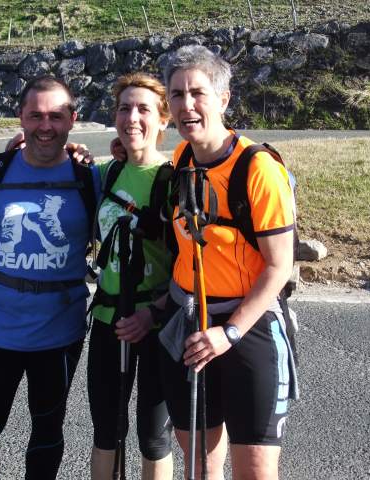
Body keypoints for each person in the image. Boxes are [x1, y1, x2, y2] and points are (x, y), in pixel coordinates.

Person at [146, 45, 297, 479]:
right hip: (189, 322)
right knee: (200, 466)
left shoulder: (258, 168)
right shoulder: (182, 159)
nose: (186, 105)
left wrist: (229, 333)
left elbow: (278, 267)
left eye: (198, 92)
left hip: (247, 326)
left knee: (255, 469)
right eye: (177, 94)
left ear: (224, 99)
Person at [0, 75, 100, 479]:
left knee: (47, 434)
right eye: (35, 115)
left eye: (56, 116)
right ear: (20, 116)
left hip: (60, 331)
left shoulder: (89, 178)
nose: (45, 126)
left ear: (73, 119)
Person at [88, 73, 174, 479]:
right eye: (124, 108)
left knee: (153, 437)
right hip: (108, 320)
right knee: (106, 432)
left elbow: (191, 268)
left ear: (163, 119)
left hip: (156, 326)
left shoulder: (173, 179)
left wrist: (151, 314)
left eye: (144, 109)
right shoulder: (107, 173)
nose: (132, 117)